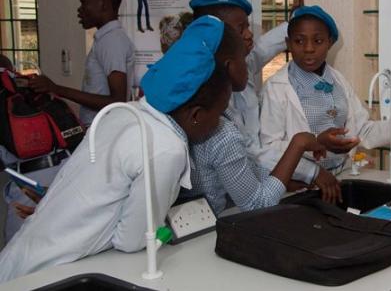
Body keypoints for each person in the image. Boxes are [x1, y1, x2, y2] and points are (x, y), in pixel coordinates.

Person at [0, 16, 237, 282]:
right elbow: (131, 240)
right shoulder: (166, 148)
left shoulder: (123, 114)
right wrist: (160, 228)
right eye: (219, 114)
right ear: (195, 114)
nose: (219, 124)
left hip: (23, 255)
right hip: (53, 272)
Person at [260, 5, 391, 178]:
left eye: (318, 41)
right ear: (288, 44)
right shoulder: (276, 88)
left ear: (330, 43)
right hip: (299, 184)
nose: (309, 48)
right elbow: (269, 149)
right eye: (299, 41)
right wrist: (313, 168)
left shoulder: (338, 82)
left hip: (341, 176)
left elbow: (364, 132)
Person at [182, 0, 329, 212]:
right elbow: (249, 155)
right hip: (219, 208)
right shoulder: (213, 110)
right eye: (241, 28)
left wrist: (296, 20)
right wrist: (309, 171)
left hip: (243, 192)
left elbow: (264, 48)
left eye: (248, 26)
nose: (250, 35)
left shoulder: (237, 63)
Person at [28, 0, 135, 127]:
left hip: (105, 129)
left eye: (84, 3)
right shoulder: (106, 39)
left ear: (103, 4)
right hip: (99, 128)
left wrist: (56, 88)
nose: (80, 10)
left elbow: (117, 102)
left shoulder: (112, 41)